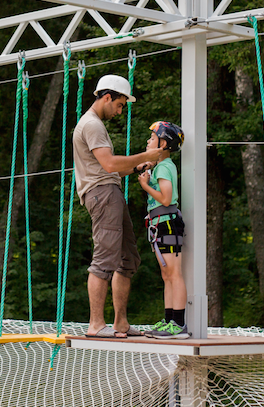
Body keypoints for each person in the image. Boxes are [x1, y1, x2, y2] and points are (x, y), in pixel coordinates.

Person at [74, 74, 169, 339]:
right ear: (107, 97)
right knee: (105, 259)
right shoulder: (92, 125)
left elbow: (109, 169)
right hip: (103, 196)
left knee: (128, 259)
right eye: (120, 105)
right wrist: (148, 155)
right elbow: (110, 165)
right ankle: (96, 325)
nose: (120, 111)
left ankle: (121, 324)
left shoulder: (94, 125)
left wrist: (137, 166)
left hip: (109, 191)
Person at [138, 121, 190, 340]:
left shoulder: (164, 167)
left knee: (174, 273)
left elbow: (167, 198)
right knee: (166, 273)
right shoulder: (159, 166)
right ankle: (169, 320)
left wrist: (146, 186)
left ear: (163, 144)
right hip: (161, 224)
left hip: (167, 223)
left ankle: (178, 323)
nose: (148, 141)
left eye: (152, 138)